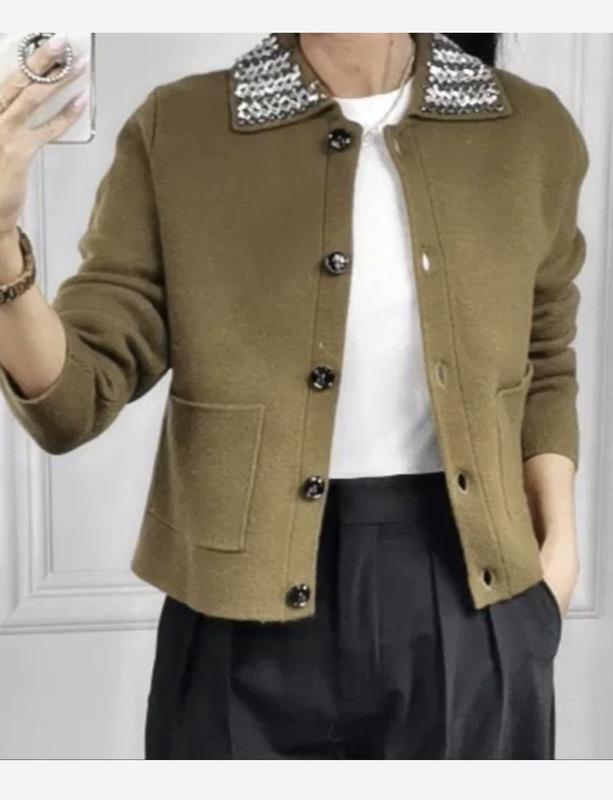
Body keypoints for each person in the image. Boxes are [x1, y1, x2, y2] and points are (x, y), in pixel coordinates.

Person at [0, 32, 589, 759]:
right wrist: (2, 239)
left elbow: (543, 355)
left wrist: (558, 549)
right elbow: (70, 402)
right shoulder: (180, 128)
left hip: (471, 591)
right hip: (234, 611)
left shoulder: (526, 129)